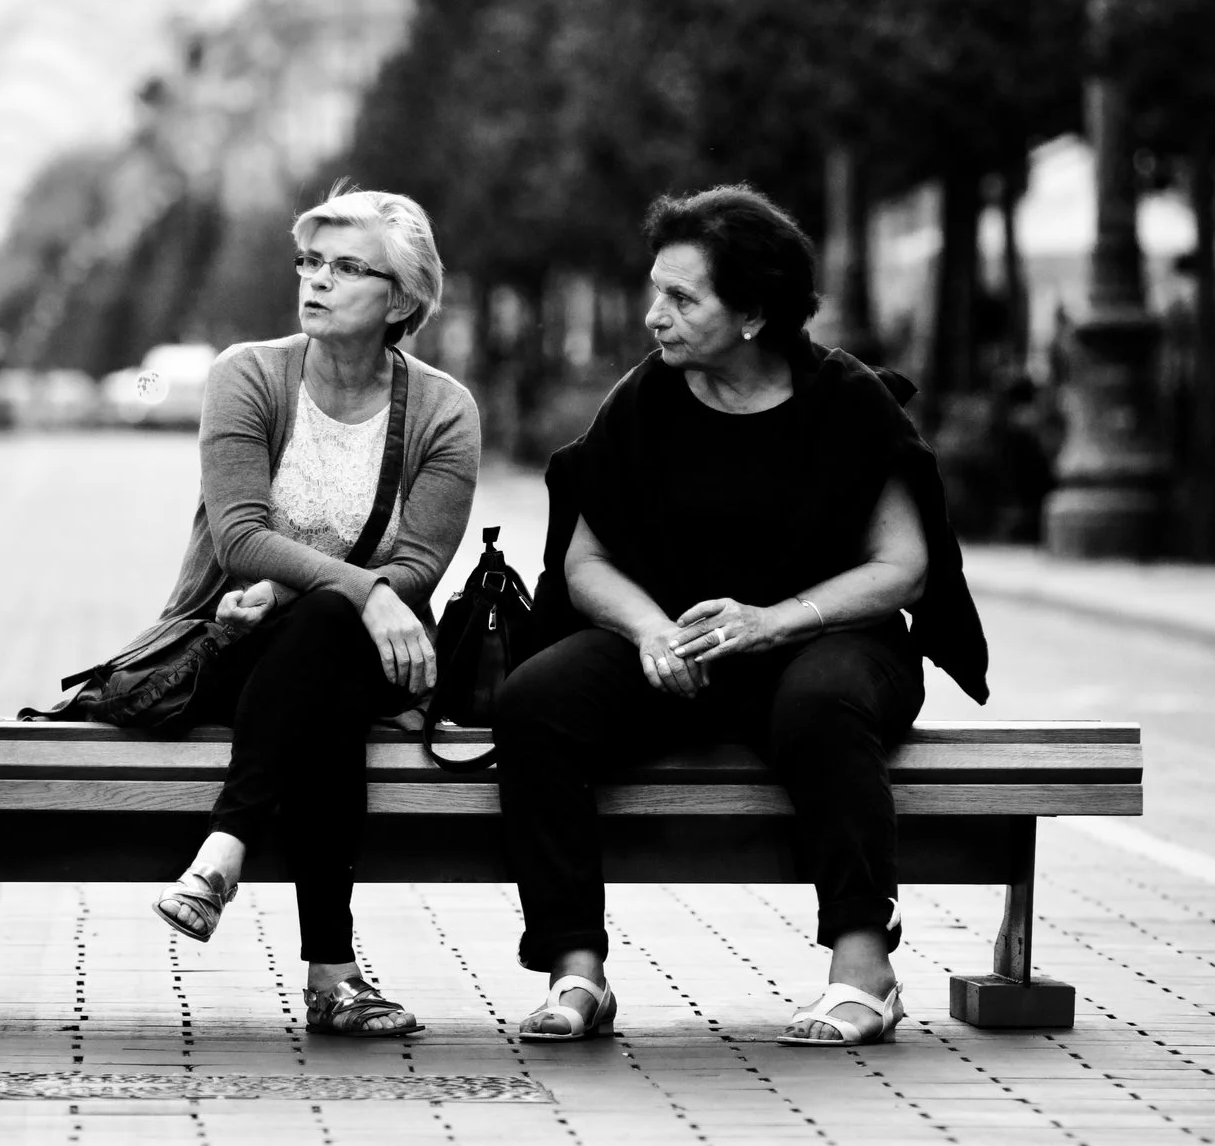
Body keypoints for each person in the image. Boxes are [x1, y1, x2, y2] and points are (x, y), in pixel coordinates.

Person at [497, 185, 988, 1048]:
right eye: (657, 290)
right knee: (538, 701)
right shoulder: (643, 402)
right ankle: (576, 969)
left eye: (683, 298)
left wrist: (776, 620)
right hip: (682, 646)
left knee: (820, 704)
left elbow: (903, 568)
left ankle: (864, 973)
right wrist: (651, 631)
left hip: (831, 641)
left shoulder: (846, 403)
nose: (656, 315)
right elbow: (585, 561)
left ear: (755, 312)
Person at [147, 184, 480, 1038]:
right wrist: (358, 588)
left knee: (327, 639)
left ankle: (224, 850)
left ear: (403, 298)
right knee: (325, 676)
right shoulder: (248, 374)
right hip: (231, 644)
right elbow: (239, 539)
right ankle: (333, 975)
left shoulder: (444, 410)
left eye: (346, 267)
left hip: (371, 652)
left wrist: (347, 593)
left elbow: (419, 567)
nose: (317, 281)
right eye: (310, 262)